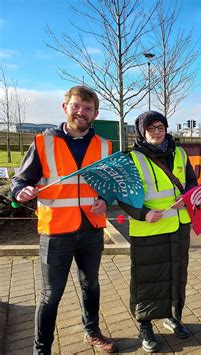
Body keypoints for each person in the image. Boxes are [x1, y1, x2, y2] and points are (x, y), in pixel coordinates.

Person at [11, 86, 118, 353]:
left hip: (92, 229)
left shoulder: (105, 146)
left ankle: (92, 332)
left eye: (88, 108)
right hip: (56, 230)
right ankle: (42, 349)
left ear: (95, 113)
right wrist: (20, 191)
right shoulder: (43, 143)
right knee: (50, 295)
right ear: (65, 107)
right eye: (76, 106)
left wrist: (106, 199)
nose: (81, 112)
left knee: (90, 284)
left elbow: (111, 186)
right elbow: (21, 180)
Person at [117, 111, 197, 353]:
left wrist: (187, 197)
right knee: (146, 279)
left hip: (178, 226)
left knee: (176, 274)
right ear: (142, 131)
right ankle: (144, 324)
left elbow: (192, 181)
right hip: (148, 228)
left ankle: (172, 316)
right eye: (151, 128)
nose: (156, 132)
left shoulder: (180, 153)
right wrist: (144, 214)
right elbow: (123, 195)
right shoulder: (131, 158)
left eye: (160, 127)